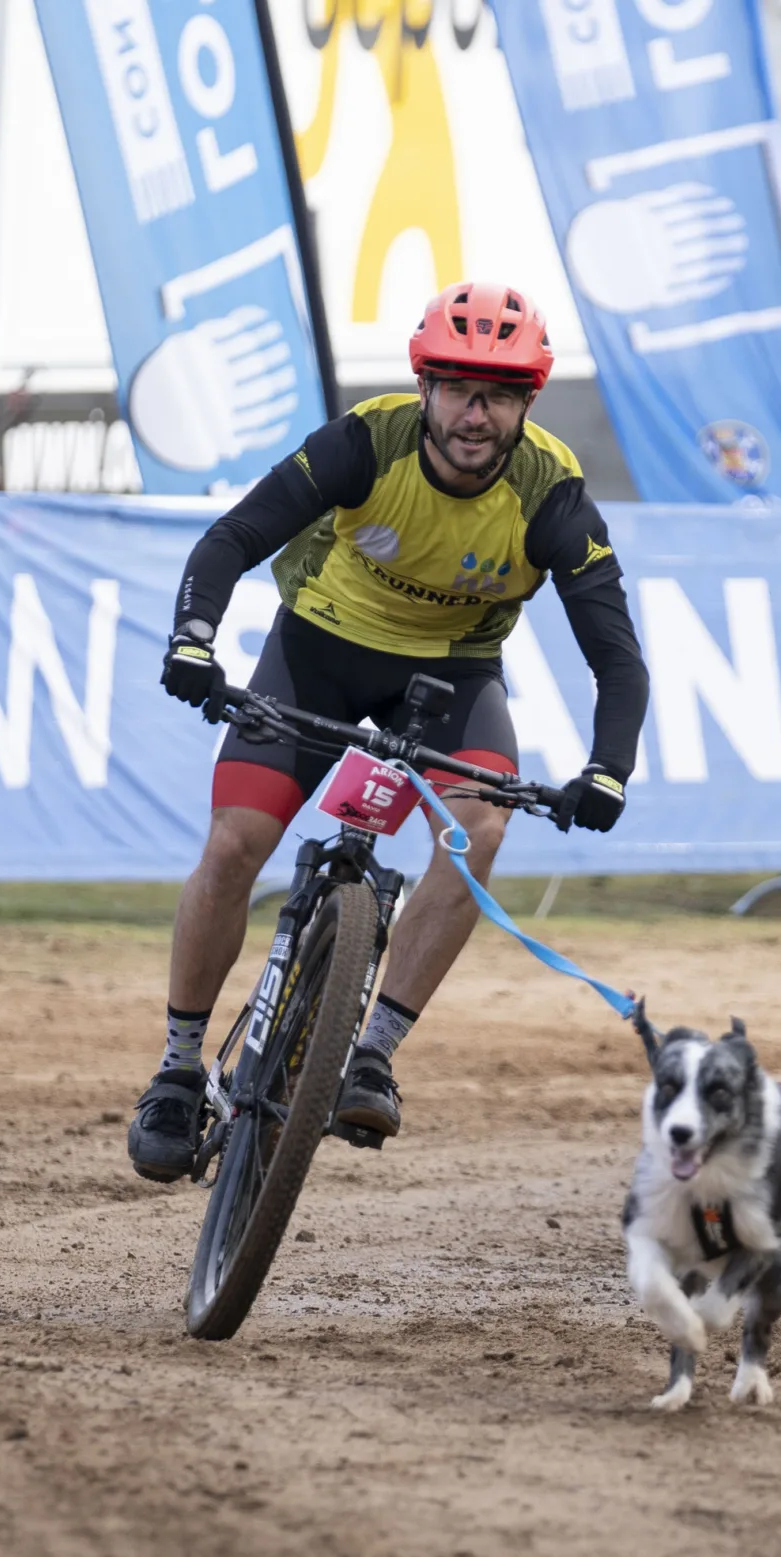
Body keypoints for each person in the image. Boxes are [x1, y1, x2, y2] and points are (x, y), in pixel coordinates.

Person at [126, 282, 648, 1184]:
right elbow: (232, 537)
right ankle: (177, 1066)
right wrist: (194, 638)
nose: (475, 414)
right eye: (456, 388)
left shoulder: (552, 493)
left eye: (499, 394)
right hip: (316, 651)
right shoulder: (367, 441)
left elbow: (618, 658)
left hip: (449, 678)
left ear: (528, 400)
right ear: (424, 387)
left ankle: (372, 1051)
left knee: (482, 825)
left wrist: (609, 769)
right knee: (236, 841)